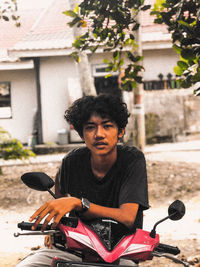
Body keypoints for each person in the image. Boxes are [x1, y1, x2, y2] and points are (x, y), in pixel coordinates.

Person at [16, 94, 149, 267]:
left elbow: (127, 217)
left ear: (120, 131)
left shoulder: (132, 160)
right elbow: (60, 199)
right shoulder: (71, 162)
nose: (99, 134)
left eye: (107, 126)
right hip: (76, 247)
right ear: (81, 134)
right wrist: (56, 224)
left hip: (119, 251)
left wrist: (79, 204)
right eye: (90, 127)